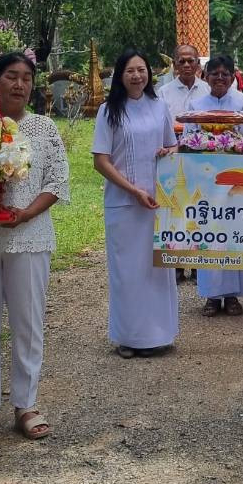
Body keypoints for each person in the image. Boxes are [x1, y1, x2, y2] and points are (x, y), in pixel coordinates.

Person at [0, 52, 70, 447]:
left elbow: (57, 182)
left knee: (28, 323)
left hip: (30, 236)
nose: (19, 84)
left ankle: (26, 404)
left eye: (26, 78)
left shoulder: (44, 128)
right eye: (11, 76)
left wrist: (26, 213)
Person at [91, 48, 179, 358]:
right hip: (124, 204)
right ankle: (128, 337)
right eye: (130, 70)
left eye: (141, 69)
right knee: (127, 272)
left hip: (157, 202)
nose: (137, 75)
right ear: (120, 75)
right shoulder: (108, 110)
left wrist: (170, 152)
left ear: (148, 74)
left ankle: (159, 334)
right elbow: (100, 161)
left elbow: (172, 143)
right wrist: (132, 190)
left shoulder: (159, 107)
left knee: (156, 270)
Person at [183, 53, 243, 317]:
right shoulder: (196, 103)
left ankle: (234, 296)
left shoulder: (241, 100)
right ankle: (212, 296)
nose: (219, 78)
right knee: (209, 234)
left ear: (231, 77)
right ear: (206, 76)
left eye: (225, 74)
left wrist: (237, 147)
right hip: (206, 180)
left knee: (235, 233)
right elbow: (188, 138)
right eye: (214, 73)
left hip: (235, 179)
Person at [158, 43, 211, 121]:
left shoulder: (208, 90)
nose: (186, 65)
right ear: (174, 64)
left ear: (198, 63)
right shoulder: (163, 92)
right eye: (182, 61)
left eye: (190, 61)